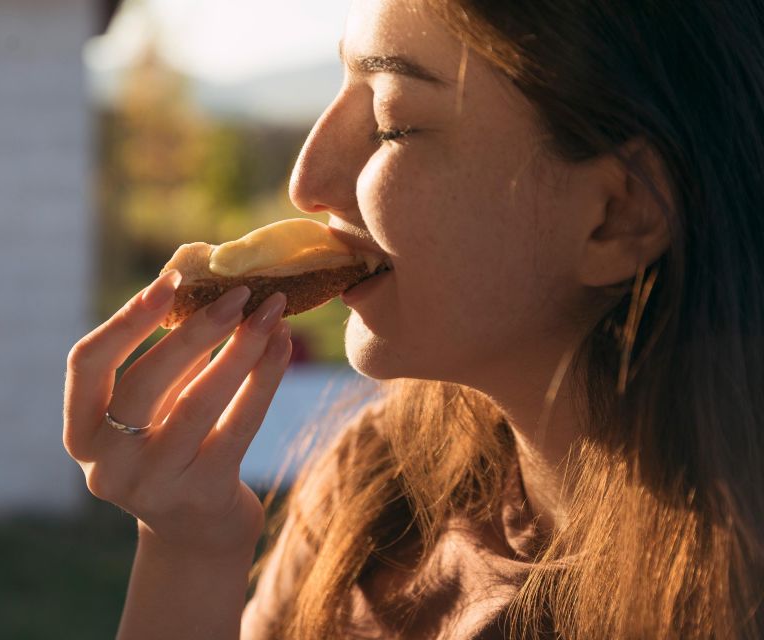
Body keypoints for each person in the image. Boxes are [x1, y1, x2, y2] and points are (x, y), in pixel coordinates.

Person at [62, 0, 764, 637]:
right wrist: (190, 548)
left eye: (391, 122)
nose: (308, 182)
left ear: (617, 214)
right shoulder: (373, 484)